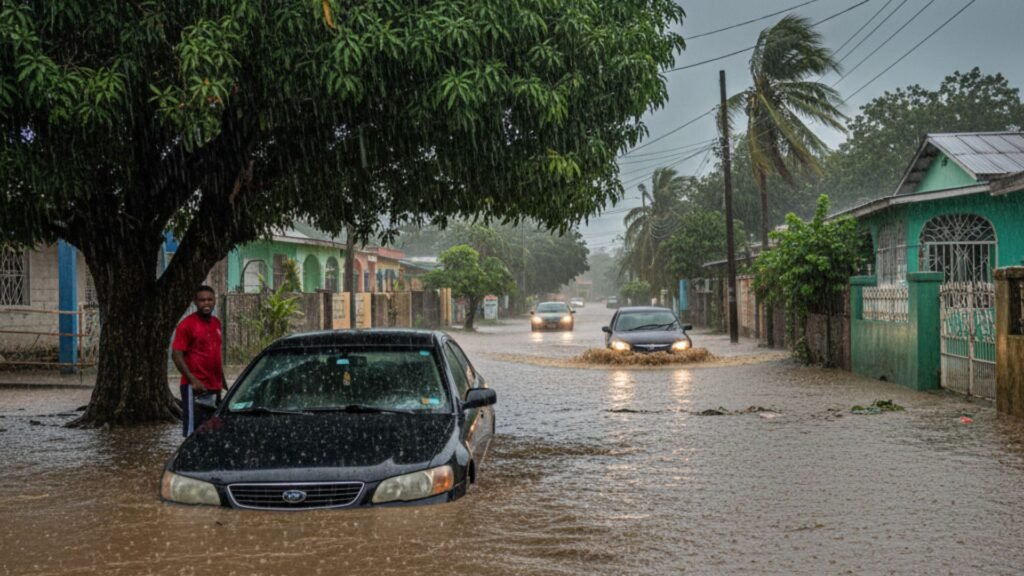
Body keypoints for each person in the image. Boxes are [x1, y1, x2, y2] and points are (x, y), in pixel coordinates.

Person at [172, 285, 225, 437]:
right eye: (202, 300)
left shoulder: (216, 323)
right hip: (195, 388)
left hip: (215, 387)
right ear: (195, 302)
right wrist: (192, 379)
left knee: (213, 429)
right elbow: (176, 354)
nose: (206, 303)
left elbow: (214, 352)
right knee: (193, 432)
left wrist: (222, 379)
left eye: (209, 299)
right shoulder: (186, 325)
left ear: (215, 301)